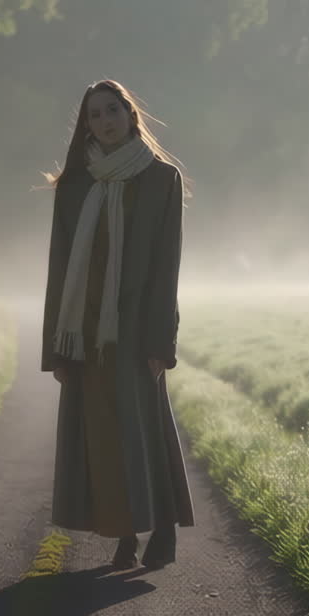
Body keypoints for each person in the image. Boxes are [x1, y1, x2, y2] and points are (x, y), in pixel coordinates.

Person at [41, 79, 195, 570]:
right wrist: (57, 350)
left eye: (112, 111)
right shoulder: (74, 184)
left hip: (135, 331)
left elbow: (166, 266)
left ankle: (164, 529)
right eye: (94, 115)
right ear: (86, 125)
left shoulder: (160, 179)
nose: (104, 121)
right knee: (101, 437)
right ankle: (123, 536)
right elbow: (60, 266)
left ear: (131, 114)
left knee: (143, 430)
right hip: (83, 331)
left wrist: (160, 341)